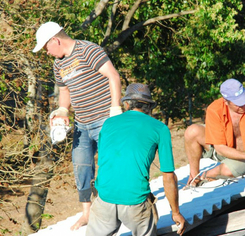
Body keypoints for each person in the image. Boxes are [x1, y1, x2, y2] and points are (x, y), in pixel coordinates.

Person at [32, 21, 122, 230]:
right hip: (82, 123)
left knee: (110, 164)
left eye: (46, 47)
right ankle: (87, 213)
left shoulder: (88, 50)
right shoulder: (58, 65)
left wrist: (116, 107)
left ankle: (115, 208)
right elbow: (65, 92)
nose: (46, 52)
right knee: (81, 167)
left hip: (104, 120)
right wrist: (63, 110)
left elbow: (113, 76)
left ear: (55, 40)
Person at [86, 83, 186, 236]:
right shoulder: (159, 128)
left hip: (104, 197)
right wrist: (176, 212)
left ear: (126, 104)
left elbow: (105, 161)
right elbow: (168, 176)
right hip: (136, 201)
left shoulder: (108, 123)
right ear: (149, 106)